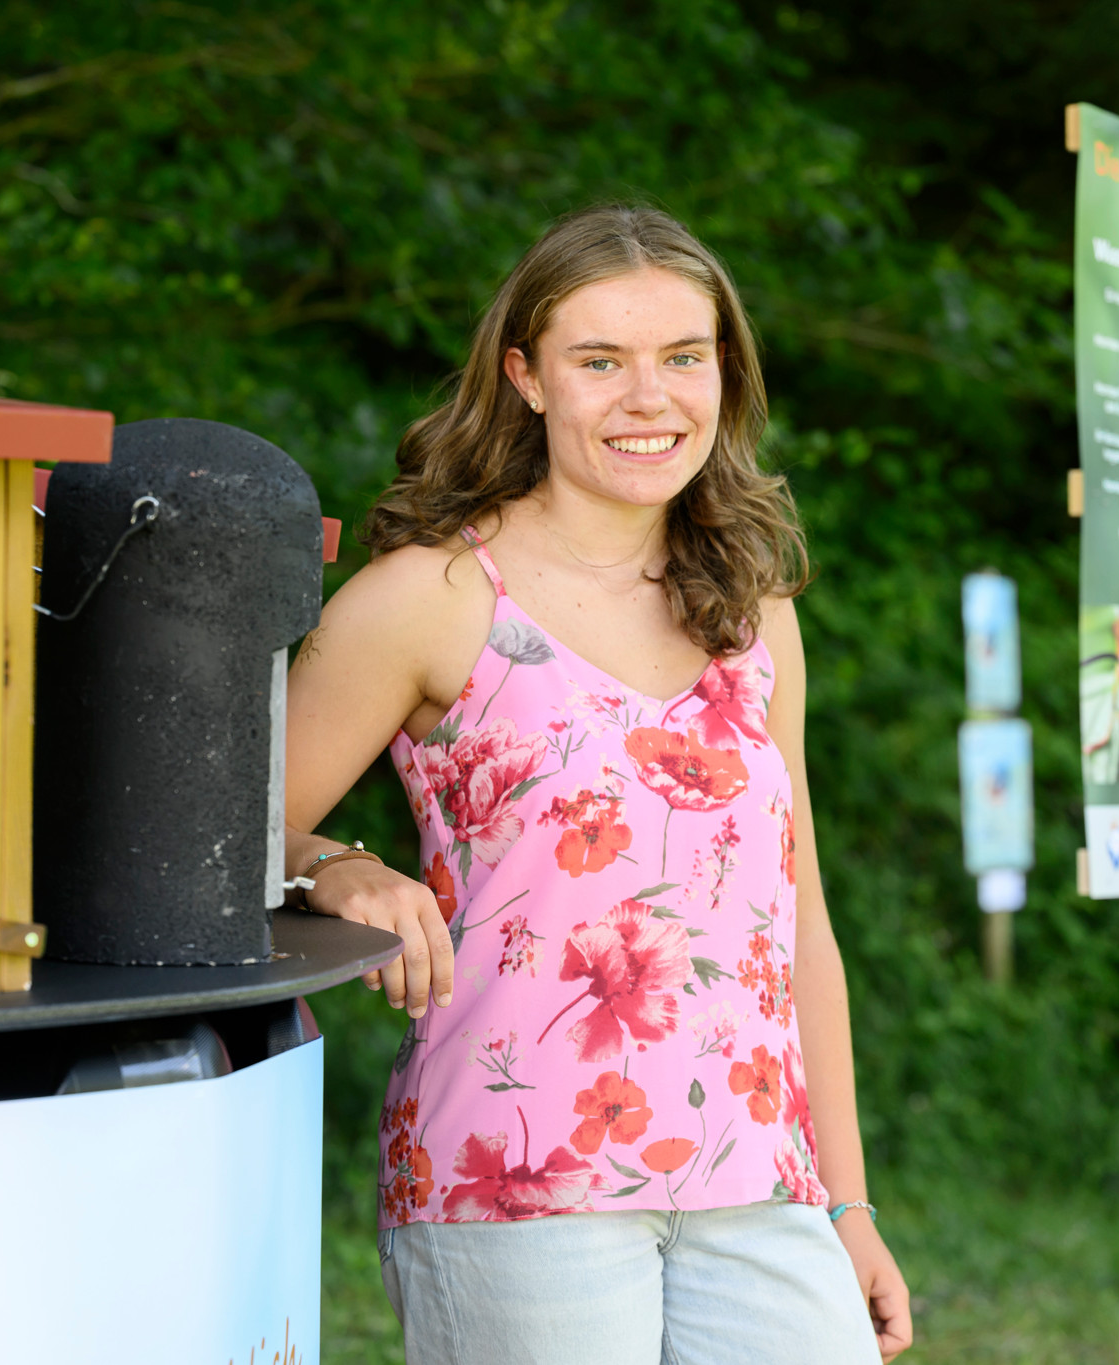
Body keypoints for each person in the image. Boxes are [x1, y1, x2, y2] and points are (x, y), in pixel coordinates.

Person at [284, 204, 913, 1365]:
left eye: (683, 357)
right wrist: (342, 868)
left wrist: (845, 1203)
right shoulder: (428, 595)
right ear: (524, 377)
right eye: (598, 361)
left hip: (759, 1182)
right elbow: (218, 826)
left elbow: (798, 924)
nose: (647, 398)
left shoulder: (755, 616)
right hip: (517, 1184)